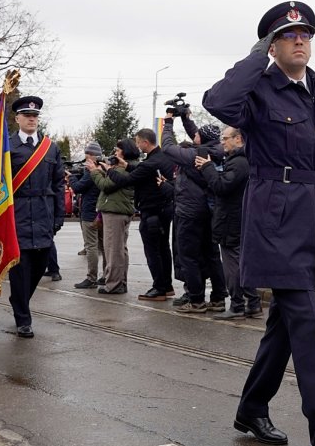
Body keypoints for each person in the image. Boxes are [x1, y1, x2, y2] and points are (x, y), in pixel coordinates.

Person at [202, 0, 315, 446]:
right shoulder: (258, 90)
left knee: (283, 328)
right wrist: (256, 59)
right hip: (276, 223)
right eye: (289, 34)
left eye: (306, 33)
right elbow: (217, 101)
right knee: (308, 326)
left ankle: (251, 408)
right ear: (273, 44)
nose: (300, 40)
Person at [5, 96, 65, 338]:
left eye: (35, 116)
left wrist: (59, 214)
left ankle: (18, 299)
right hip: (17, 213)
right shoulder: (6, 146)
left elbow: (59, 183)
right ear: (17, 118)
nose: (31, 119)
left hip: (43, 212)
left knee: (40, 266)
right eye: (27, 115)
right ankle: (23, 318)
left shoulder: (50, 147)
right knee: (20, 269)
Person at [160, 111, 226, 312]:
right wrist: (186, 118)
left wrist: (169, 123)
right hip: (210, 212)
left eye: (197, 135)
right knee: (212, 255)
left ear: (202, 139)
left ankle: (196, 300)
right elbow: (199, 135)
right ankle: (218, 297)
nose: (193, 136)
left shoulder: (193, 155)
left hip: (190, 212)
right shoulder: (218, 150)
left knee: (188, 256)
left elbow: (168, 147)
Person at [107, 127, 176, 301]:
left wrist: (108, 170)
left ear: (145, 142)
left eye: (138, 142)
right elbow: (143, 174)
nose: (137, 146)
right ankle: (166, 286)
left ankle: (158, 288)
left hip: (152, 212)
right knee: (163, 249)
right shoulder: (163, 158)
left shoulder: (150, 163)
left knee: (153, 251)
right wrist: (127, 166)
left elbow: (127, 181)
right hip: (164, 209)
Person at [198, 125, 260, 319]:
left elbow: (221, 186)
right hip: (236, 219)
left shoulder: (239, 163)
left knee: (233, 265)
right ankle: (253, 303)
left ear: (238, 139)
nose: (222, 142)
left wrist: (207, 168)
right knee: (241, 262)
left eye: (225, 138)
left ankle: (237, 305)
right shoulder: (241, 160)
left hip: (231, 221)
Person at [88, 140, 138, 294]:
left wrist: (94, 171)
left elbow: (106, 186)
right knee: (120, 249)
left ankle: (114, 284)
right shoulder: (127, 168)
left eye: (117, 150)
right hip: (120, 211)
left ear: (124, 151)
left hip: (115, 213)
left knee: (113, 251)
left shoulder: (123, 170)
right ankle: (120, 282)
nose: (115, 153)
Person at [70, 141, 105, 289]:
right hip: (102, 212)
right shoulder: (104, 167)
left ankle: (91, 278)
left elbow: (78, 187)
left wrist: (71, 177)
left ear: (90, 156)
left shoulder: (91, 171)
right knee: (104, 247)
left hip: (90, 213)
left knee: (91, 247)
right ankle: (106, 276)